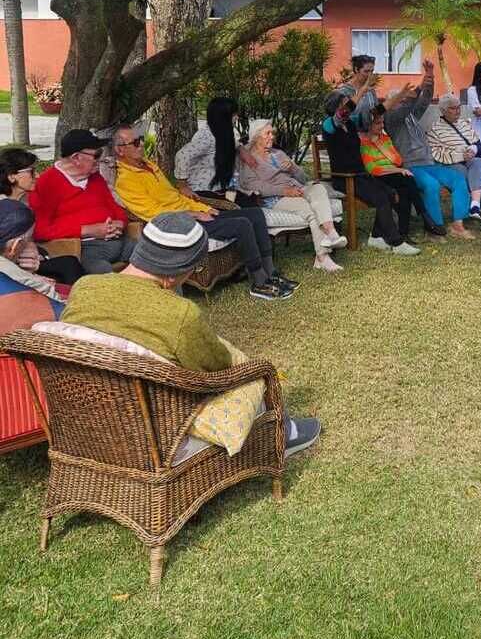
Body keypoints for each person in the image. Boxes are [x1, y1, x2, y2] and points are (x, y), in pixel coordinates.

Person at [59, 212, 320, 459]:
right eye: (193, 269)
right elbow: (216, 371)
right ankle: (283, 433)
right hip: (159, 433)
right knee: (251, 372)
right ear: (173, 275)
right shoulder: (179, 314)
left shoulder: (84, 288)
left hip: (92, 423)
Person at [112, 124, 297, 299]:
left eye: (141, 139)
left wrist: (204, 208)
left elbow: (176, 197)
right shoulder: (126, 181)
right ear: (120, 149)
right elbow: (154, 213)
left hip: (192, 213)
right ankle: (259, 282)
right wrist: (194, 214)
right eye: (135, 143)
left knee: (255, 214)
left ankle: (271, 272)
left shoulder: (149, 165)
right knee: (242, 224)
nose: (142, 144)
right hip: (179, 224)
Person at [239, 120, 348, 275]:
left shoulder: (278, 154)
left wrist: (293, 168)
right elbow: (254, 186)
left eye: (272, 133)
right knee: (309, 209)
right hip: (275, 198)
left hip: (298, 189)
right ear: (256, 137)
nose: (272, 136)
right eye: (267, 133)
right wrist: (283, 191)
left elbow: (303, 178)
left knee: (317, 188)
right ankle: (322, 257)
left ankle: (330, 232)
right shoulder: (249, 160)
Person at [383, 59, 475, 240]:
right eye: (400, 100)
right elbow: (408, 105)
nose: (404, 103)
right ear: (393, 103)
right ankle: (434, 228)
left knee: (458, 179)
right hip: (410, 167)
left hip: (429, 163)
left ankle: (458, 224)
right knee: (431, 186)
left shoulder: (411, 116)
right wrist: (415, 91)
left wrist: (430, 77)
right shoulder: (391, 118)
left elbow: (424, 101)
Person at [323, 91, 421, 255]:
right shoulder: (328, 125)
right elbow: (342, 114)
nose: (350, 106)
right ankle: (396, 243)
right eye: (346, 103)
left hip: (361, 175)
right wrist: (364, 88)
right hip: (345, 179)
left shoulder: (352, 123)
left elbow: (378, 111)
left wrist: (401, 94)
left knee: (390, 193)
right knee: (381, 197)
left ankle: (375, 237)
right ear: (336, 107)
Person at [28, 129, 135, 274]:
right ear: (76, 157)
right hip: (85, 247)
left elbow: (115, 208)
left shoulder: (95, 177)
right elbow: (41, 231)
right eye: (97, 155)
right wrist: (89, 230)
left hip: (119, 239)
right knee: (101, 273)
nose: (100, 160)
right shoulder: (47, 184)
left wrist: (120, 223)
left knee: (159, 256)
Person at [0, 147, 86, 285]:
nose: (38, 175)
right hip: (9, 271)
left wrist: (35, 251)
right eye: (31, 172)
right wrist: (30, 276)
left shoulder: (25, 202)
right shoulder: (7, 210)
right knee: (69, 265)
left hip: (27, 263)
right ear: (11, 176)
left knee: (69, 263)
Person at [427, 94, 481, 234]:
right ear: (443, 111)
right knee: (477, 177)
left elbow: (479, 146)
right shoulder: (435, 129)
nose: (457, 111)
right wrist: (460, 155)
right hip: (451, 165)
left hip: (471, 161)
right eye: (453, 108)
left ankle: (475, 204)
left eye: (459, 108)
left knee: (476, 162)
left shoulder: (464, 124)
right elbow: (437, 155)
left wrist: (473, 149)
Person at [359, 104, 433, 241]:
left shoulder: (385, 139)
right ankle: (424, 216)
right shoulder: (364, 143)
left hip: (393, 174)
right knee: (407, 179)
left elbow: (398, 160)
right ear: (368, 125)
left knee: (405, 189)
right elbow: (372, 169)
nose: (382, 126)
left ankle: (404, 233)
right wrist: (397, 169)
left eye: (382, 122)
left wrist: (381, 146)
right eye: (377, 123)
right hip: (378, 178)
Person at [174, 96, 251, 203]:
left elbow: (226, 144)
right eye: (233, 115)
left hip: (221, 190)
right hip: (204, 192)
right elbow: (182, 155)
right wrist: (182, 186)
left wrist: (240, 147)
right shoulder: (206, 136)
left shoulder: (223, 132)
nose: (236, 117)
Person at [0, 198, 68, 305]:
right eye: (28, 240)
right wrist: (32, 279)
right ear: (15, 245)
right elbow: (62, 309)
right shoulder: (27, 281)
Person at [332, 54, 379, 128]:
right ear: (356, 70)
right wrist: (361, 93)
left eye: (372, 71)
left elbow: (377, 113)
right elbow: (338, 120)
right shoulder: (343, 92)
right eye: (366, 71)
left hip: (368, 137)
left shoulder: (371, 92)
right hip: (349, 136)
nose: (370, 75)